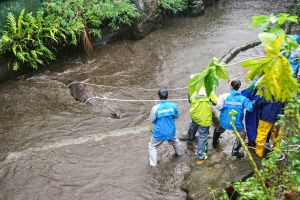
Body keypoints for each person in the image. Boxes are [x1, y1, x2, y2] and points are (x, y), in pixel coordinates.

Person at [215, 79, 254, 158]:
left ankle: (214, 142)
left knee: (219, 128)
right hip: (236, 123)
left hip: (224, 121)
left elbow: (218, 107)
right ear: (239, 87)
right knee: (242, 134)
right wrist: (252, 102)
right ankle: (235, 151)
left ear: (230, 86)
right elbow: (250, 108)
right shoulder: (243, 99)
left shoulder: (224, 96)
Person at [180, 86, 218, 165]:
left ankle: (190, 138)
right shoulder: (209, 89)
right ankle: (201, 156)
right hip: (204, 117)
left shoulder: (191, 89)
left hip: (194, 114)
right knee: (203, 136)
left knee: (194, 124)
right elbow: (215, 102)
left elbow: (190, 101)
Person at [148, 88, 183, 167]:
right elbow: (177, 116)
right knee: (176, 142)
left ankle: (153, 165)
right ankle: (179, 154)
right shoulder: (173, 106)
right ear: (168, 96)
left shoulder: (155, 108)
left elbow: (152, 120)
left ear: (158, 96)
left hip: (159, 132)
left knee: (152, 146)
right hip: (171, 131)